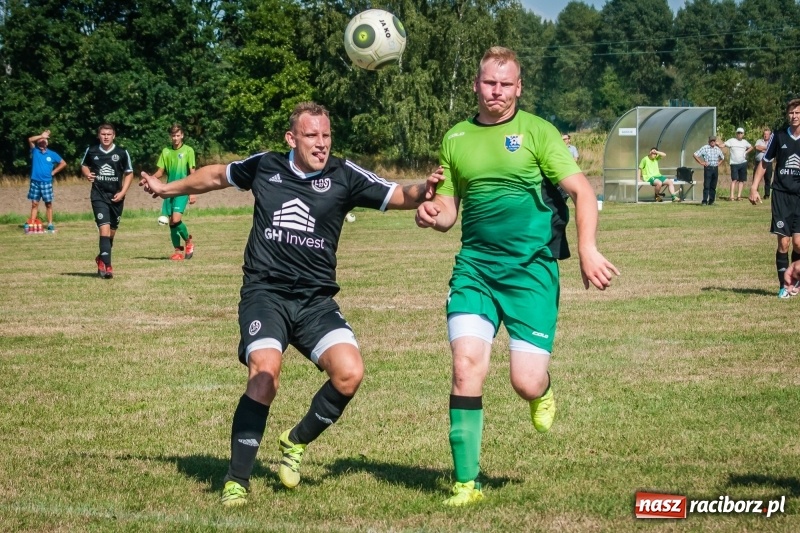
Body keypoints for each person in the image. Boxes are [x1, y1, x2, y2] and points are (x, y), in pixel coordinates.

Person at [140, 101, 442, 508]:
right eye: (312, 135)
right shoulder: (266, 166)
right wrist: (165, 189)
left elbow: (399, 194)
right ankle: (237, 480)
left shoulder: (344, 174)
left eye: (326, 135)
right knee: (265, 375)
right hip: (266, 294)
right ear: (291, 138)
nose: (321, 144)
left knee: (349, 374)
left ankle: (294, 442)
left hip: (315, 301)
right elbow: (214, 176)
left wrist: (430, 187)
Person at [415, 47, 619, 507]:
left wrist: (587, 250)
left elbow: (582, 191)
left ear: (519, 87)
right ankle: (466, 483)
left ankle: (541, 392)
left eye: (506, 84)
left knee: (525, 381)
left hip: (531, 272)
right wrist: (431, 212)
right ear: (476, 84)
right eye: (490, 83)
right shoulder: (457, 138)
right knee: (466, 366)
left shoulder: (537, 133)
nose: (497, 92)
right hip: (476, 269)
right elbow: (449, 212)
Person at [749, 99, 800, 298]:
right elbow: (764, 163)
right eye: (791, 113)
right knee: (784, 244)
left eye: (797, 113)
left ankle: (795, 279)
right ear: (787, 115)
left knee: (798, 244)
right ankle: (783, 286)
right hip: (781, 195)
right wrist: (753, 188)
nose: (794, 116)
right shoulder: (778, 136)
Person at [80, 123, 134, 279]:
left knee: (111, 234)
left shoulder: (122, 153)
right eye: (103, 134)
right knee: (104, 229)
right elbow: (84, 165)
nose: (105, 137)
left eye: (108, 134)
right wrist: (87, 173)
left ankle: (101, 258)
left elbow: (129, 173)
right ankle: (108, 267)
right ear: (99, 135)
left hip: (116, 197)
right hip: (98, 196)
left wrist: (123, 192)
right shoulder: (92, 150)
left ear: (114, 135)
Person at [148, 124, 197, 260]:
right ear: (170, 137)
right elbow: (160, 172)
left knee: (176, 219)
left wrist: (193, 192)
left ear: (182, 136)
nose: (175, 138)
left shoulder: (188, 151)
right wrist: (150, 179)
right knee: (170, 222)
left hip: (183, 189)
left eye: (178, 135)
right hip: (169, 190)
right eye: (173, 136)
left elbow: (193, 173)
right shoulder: (166, 151)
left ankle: (188, 241)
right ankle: (177, 251)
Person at [26, 129, 67, 230]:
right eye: (40, 140)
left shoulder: (52, 154)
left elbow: (63, 163)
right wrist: (41, 135)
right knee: (34, 203)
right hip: (35, 182)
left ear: (47, 143)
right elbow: (30, 139)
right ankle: (32, 223)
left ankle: (50, 224)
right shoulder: (35, 151)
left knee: (48, 203)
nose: (42, 141)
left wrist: (54, 172)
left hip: (46, 182)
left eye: (44, 140)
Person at [721, 127, 753, 201]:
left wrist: (746, 152)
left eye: (741, 133)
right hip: (734, 163)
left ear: (743, 134)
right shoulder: (732, 141)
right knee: (734, 179)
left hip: (743, 163)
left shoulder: (745, 142)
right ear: (736, 134)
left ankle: (739, 196)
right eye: (738, 133)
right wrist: (718, 144)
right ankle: (731, 196)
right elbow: (723, 145)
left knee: (741, 180)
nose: (739, 134)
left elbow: (751, 147)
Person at [693, 136, 725, 206]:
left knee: (713, 186)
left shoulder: (717, 149)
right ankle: (704, 201)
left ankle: (711, 201)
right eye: (711, 141)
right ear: (709, 141)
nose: (713, 142)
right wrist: (701, 162)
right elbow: (695, 154)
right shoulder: (705, 148)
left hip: (715, 168)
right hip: (708, 168)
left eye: (714, 141)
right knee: (707, 185)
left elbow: (722, 157)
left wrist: (719, 163)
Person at [754, 127, 773, 198]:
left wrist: (762, 149)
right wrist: (766, 148)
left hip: (768, 163)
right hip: (758, 162)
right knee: (756, 178)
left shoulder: (772, 142)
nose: (765, 135)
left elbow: (771, 150)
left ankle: (767, 194)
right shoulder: (759, 141)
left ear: (770, 135)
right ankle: (755, 193)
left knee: (768, 179)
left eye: (767, 134)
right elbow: (757, 147)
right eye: (764, 134)